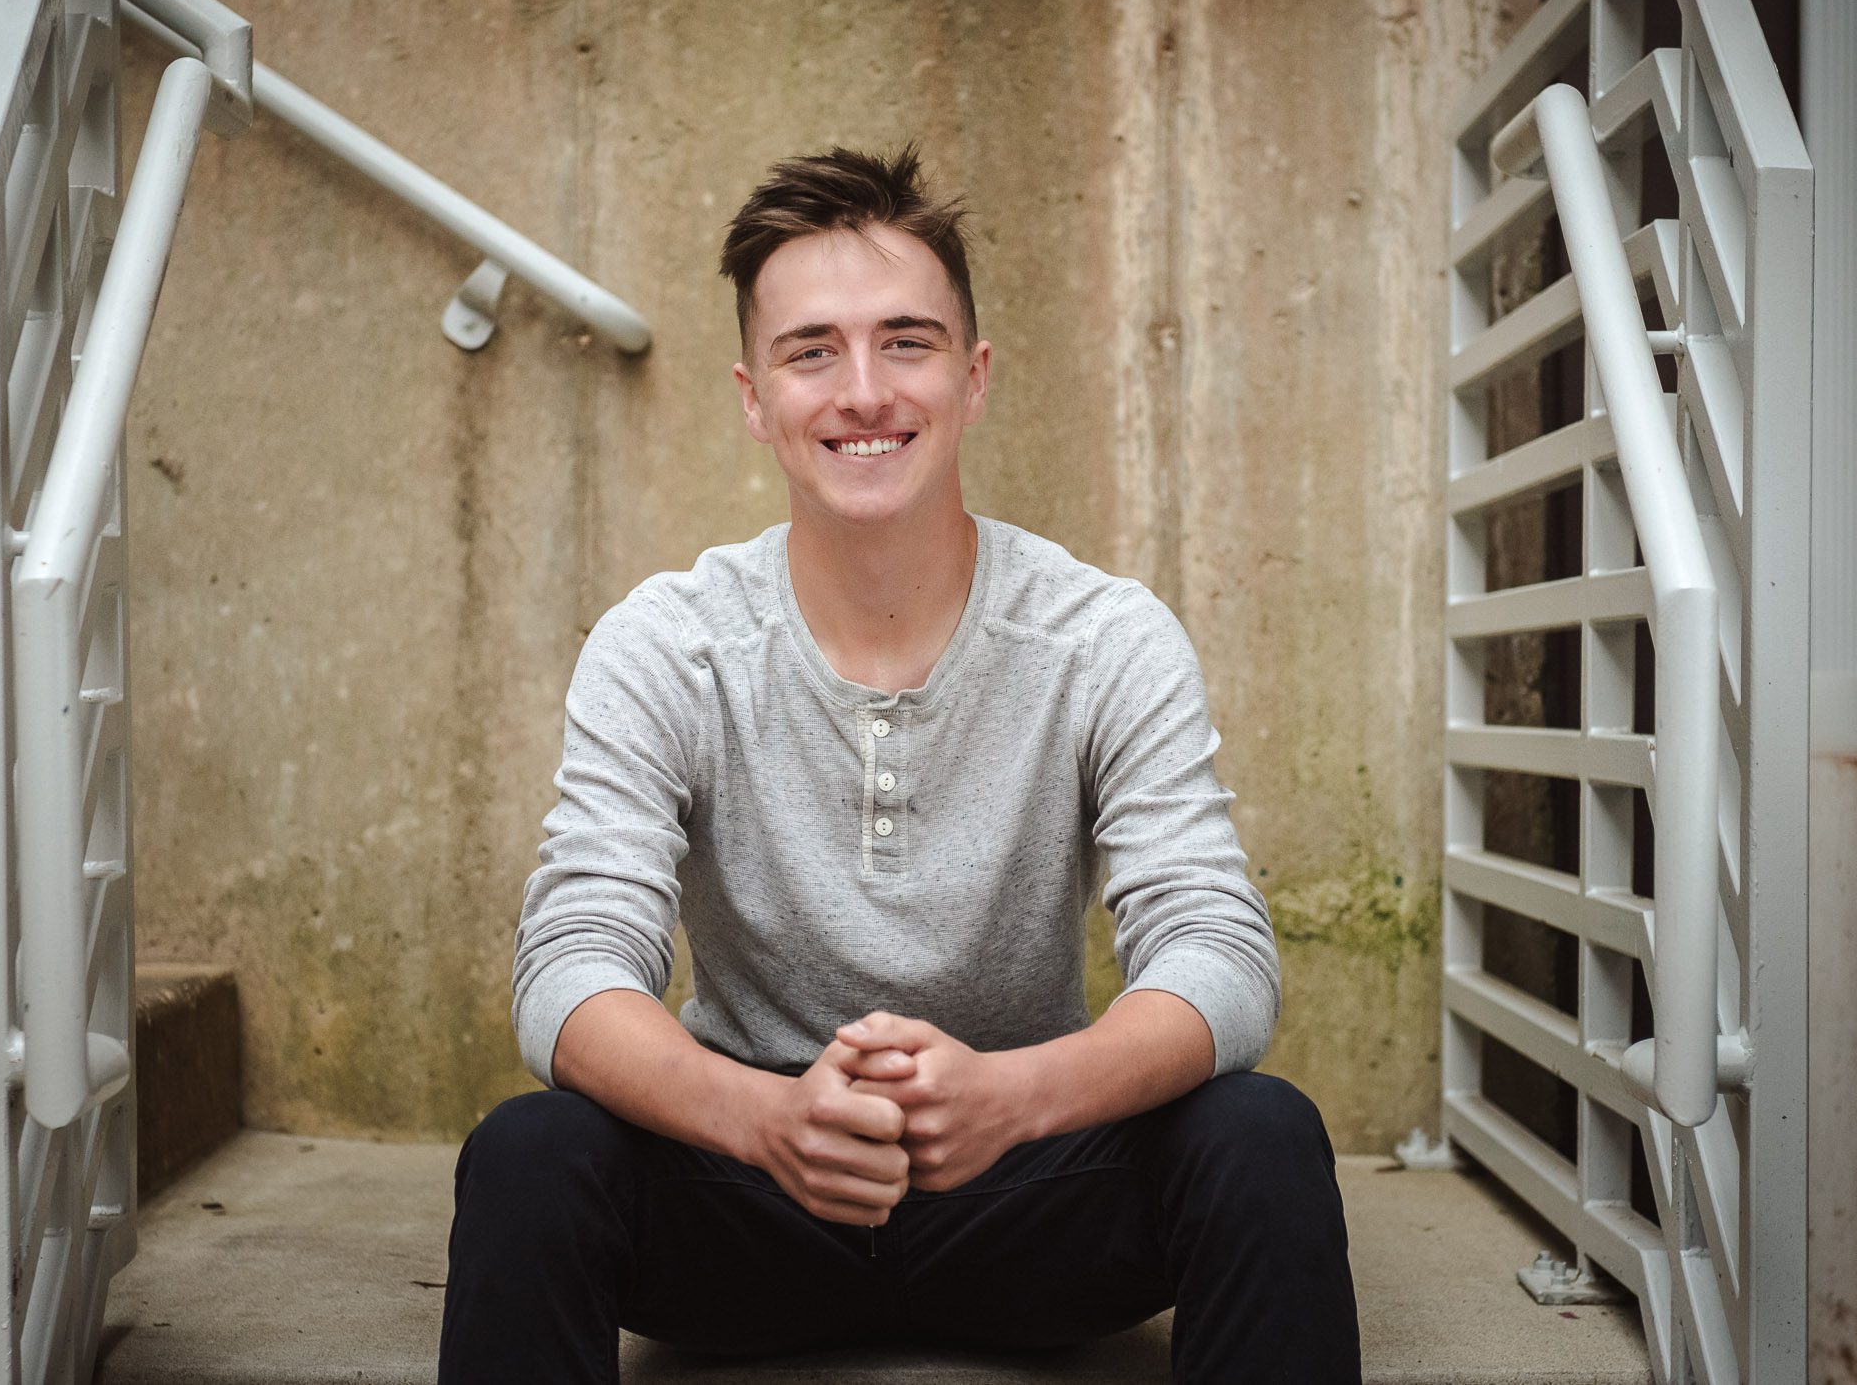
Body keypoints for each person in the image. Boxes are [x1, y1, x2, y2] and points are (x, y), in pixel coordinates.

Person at [438, 146, 1359, 1383]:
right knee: (529, 1154)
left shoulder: (1103, 637)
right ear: (755, 397)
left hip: (1029, 1188)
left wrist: (1014, 1100)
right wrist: (767, 1122)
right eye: (812, 350)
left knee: (1261, 1132)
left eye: (906, 342)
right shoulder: (669, 640)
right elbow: (569, 965)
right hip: (744, 1193)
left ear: (973, 379)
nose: (863, 391)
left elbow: (1220, 954)